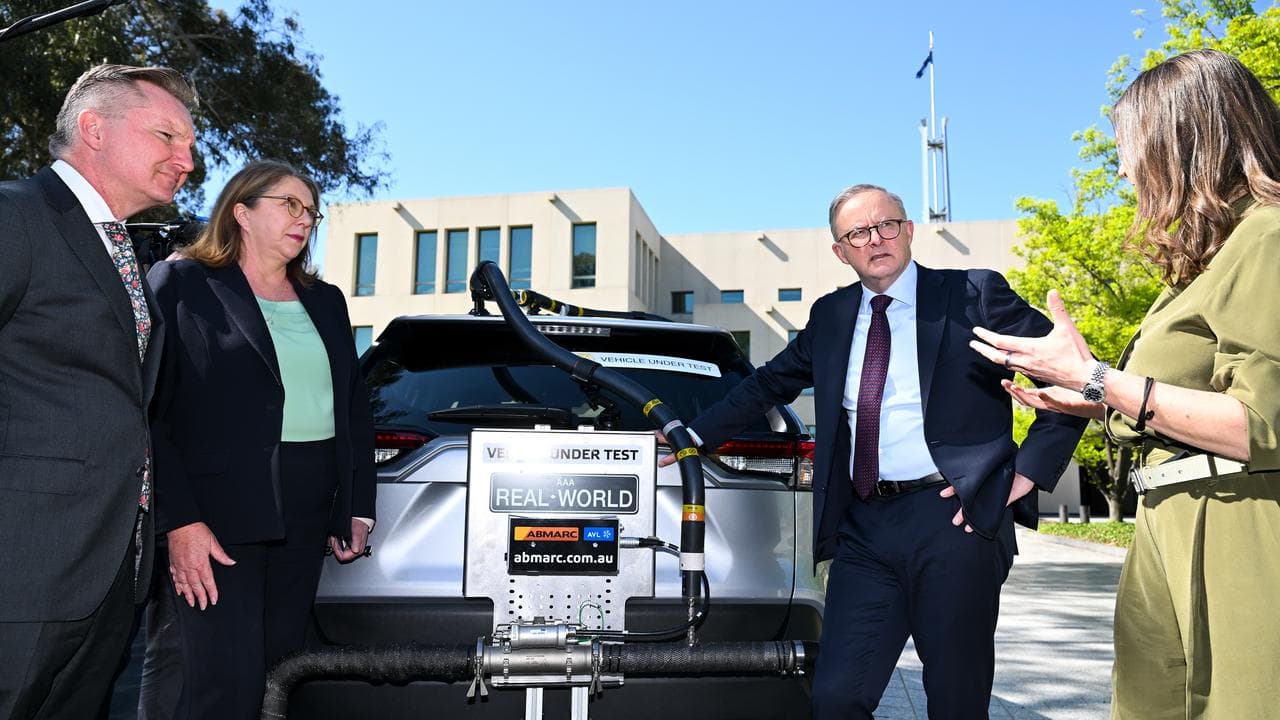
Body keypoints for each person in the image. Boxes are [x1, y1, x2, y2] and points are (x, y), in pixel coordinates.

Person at [663, 184, 1087, 718]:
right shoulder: (832, 315)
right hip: (864, 527)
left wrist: (1027, 471)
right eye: (858, 233)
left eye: (887, 225)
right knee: (838, 696)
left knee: (957, 701)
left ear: (908, 231)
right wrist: (689, 435)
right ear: (841, 251)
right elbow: (768, 384)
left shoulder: (974, 294)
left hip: (955, 520)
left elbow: (1066, 371)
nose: (876, 239)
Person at [969, 48, 1280, 719]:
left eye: (1127, 146)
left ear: (1184, 137)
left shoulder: (1269, 239)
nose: (1121, 168)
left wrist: (1096, 378)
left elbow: (1262, 427)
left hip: (1239, 532)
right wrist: (1086, 392)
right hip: (1169, 524)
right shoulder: (1204, 262)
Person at [143, 159, 377, 718]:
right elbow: (151, 414)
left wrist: (358, 506)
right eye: (289, 205)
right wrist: (179, 521)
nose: (304, 220)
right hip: (216, 514)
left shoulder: (326, 300)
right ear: (241, 211)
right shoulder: (182, 285)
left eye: (311, 211)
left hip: (306, 509)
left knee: (279, 674)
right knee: (219, 680)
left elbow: (353, 408)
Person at [0, 64, 196, 719]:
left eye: (192, 146)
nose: (186, 159)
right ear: (94, 129)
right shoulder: (17, 216)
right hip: (24, 563)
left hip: (111, 570)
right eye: (168, 136)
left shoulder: (122, 250)